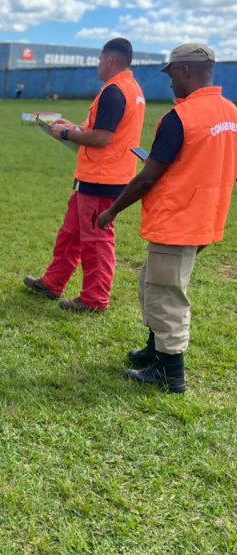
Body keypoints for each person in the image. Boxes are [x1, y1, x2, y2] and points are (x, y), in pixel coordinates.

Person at [97, 43, 237, 393]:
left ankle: (170, 373)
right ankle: (154, 350)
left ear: (186, 71)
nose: (170, 82)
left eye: (172, 74)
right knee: (152, 283)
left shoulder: (181, 117)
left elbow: (147, 177)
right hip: (206, 217)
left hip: (179, 221)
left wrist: (112, 210)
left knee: (165, 294)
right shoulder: (230, 112)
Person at [23, 38, 146, 312]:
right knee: (71, 234)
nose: (98, 65)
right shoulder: (130, 88)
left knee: (97, 241)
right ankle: (53, 283)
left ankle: (94, 299)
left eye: (100, 60)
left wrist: (67, 134)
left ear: (110, 60)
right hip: (96, 176)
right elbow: (105, 130)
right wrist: (75, 127)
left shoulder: (115, 90)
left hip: (103, 179)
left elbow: (102, 138)